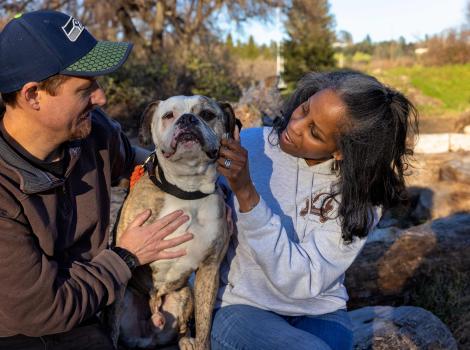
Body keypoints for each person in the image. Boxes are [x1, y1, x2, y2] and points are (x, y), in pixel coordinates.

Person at [0, 10, 194, 349]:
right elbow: (43, 310)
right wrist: (126, 256)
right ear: (33, 96)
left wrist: (203, 184)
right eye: (85, 88)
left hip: (89, 309)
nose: (101, 98)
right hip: (21, 331)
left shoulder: (93, 134)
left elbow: (136, 160)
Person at [213, 70, 418, 350]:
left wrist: (246, 193)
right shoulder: (250, 145)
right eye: (305, 109)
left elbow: (299, 281)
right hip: (241, 305)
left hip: (319, 311)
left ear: (341, 151)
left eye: (314, 132)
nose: (296, 126)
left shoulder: (361, 196)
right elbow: (177, 172)